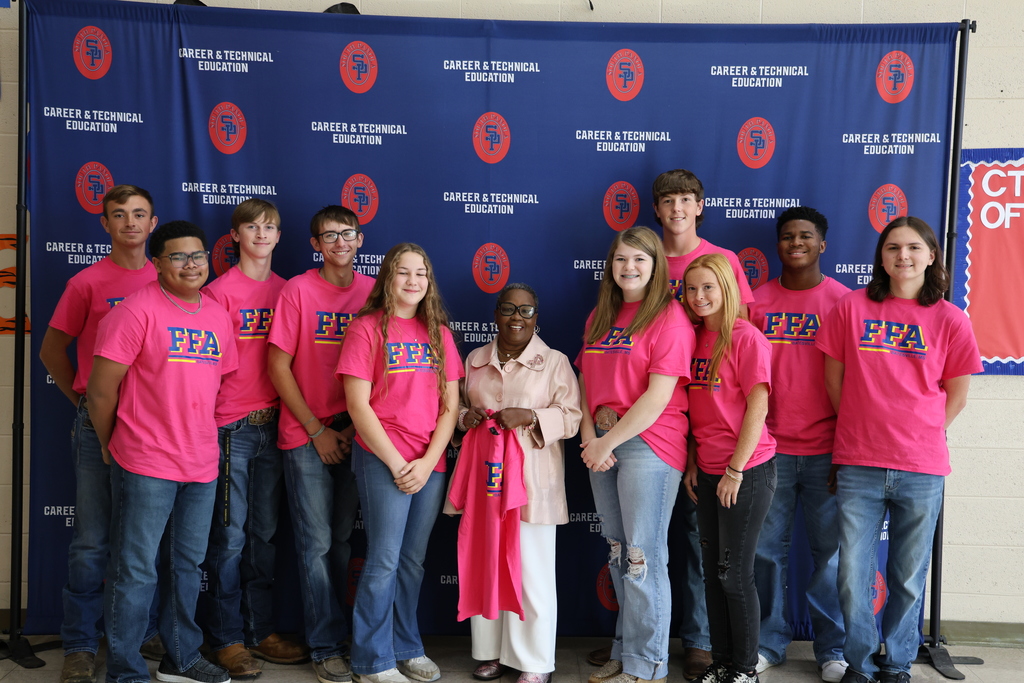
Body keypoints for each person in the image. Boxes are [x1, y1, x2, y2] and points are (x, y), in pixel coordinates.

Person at [816, 216, 981, 683]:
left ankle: (897, 664)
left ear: (931, 256)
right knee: (852, 573)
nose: (902, 256)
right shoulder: (851, 308)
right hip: (858, 463)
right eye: (892, 248)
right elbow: (834, 381)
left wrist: (922, 432)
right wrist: (862, 427)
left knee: (909, 577)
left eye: (913, 248)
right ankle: (861, 664)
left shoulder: (951, 319)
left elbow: (958, 395)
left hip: (921, 468)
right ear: (881, 257)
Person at [88, 221, 238, 683]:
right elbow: (99, 392)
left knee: (187, 566)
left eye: (197, 256)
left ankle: (181, 657)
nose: (191, 265)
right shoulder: (134, 313)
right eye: (178, 257)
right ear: (156, 262)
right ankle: (125, 671)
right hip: (145, 460)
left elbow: (221, 383)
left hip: (200, 463)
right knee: (135, 571)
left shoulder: (215, 313)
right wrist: (110, 445)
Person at [39, 184, 163, 683]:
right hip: (99, 427)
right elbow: (52, 351)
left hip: (156, 429)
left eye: (139, 214)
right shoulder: (87, 282)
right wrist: (85, 405)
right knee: (92, 542)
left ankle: (140, 633)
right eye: (119, 215)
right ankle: (81, 645)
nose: (130, 223)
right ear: (105, 225)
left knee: (145, 542)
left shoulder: (172, 276)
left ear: (154, 224)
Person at [337, 243, 463, 683]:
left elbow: (450, 406)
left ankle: (407, 646)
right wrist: (396, 463)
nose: (413, 281)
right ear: (387, 278)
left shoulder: (438, 333)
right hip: (381, 460)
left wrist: (428, 462)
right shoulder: (366, 329)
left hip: (429, 464)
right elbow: (358, 405)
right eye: (403, 272)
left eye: (421, 274)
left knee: (412, 561)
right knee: (384, 560)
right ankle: (371, 661)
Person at [648, 168, 755, 679]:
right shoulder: (644, 257)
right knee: (641, 540)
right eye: (667, 200)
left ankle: (701, 641)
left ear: (700, 206)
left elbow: (744, 342)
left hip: (713, 419)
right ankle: (642, 639)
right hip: (660, 414)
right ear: (657, 209)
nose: (676, 209)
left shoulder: (723, 260)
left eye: (686, 199)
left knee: (700, 544)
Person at [577, 226, 695, 683]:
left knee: (643, 556)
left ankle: (648, 665)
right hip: (601, 446)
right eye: (622, 259)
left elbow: (657, 397)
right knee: (618, 551)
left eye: (640, 260)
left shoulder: (669, 318)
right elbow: (585, 381)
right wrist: (591, 437)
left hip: (650, 444)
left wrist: (606, 442)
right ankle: (625, 651)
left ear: (656, 267)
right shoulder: (599, 316)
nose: (629, 267)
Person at [267, 205, 374, 683]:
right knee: (314, 544)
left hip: (357, 433)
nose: (338, 243)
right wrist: (316, 430)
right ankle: (325, 645)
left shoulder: (374, 293)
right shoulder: (297, 291)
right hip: (305, 433)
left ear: (360, 238)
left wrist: (350, 430)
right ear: (315, 244)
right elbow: (277, 367)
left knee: (341, 542)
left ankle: (344, 634)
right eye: (328, 236)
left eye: (346, 234)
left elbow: (384, 372)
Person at [454, 283, 582, 683]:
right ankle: (491, 652)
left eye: (526, 311)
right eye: (508, 309)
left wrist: (529, 415)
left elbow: (573, 417)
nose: (516, 317)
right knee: (486, 564)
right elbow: (454, 406)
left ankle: (534, 660)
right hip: (484, 484)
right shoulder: (475, 358)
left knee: (531, 573)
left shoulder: (556, 361)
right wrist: (464, 420)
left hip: (532, 484)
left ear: (537, 318)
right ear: (496, 314)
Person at [201, 199, 305, 677]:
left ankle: (259, 632)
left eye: (270, 227)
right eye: (252, 226)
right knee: (228, 537)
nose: (262, 233)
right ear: (235, 234)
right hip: (230, 429)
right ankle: (226, 639)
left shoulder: (290, 291)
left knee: (263, 537)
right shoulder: (219, 293)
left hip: (276, 426)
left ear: (279, 236)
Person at [748, 207, 850, 682]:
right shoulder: (757, 302)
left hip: (829, 447)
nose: (795, 243)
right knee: (766, 551)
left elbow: (857, 384)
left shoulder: (845, 303)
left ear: (822, 244)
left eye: (805, 236)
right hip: (770, 448)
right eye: (787, 236)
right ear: (777, 244)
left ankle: (832, 649)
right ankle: (770, 641)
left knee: (830, 554)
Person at [682, 253, 776, 683]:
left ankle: (745, 669)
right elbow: (693, 411)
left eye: (708, 288)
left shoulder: (746, 338)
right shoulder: (692, 338)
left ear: (727, 289)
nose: (699, 297)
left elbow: (758, 404)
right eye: (692, 288)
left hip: (745, 471)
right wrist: (692, 465)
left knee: (735, 576)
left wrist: (735, 470)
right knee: (713, 574)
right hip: (706, 470)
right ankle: (721, 662)